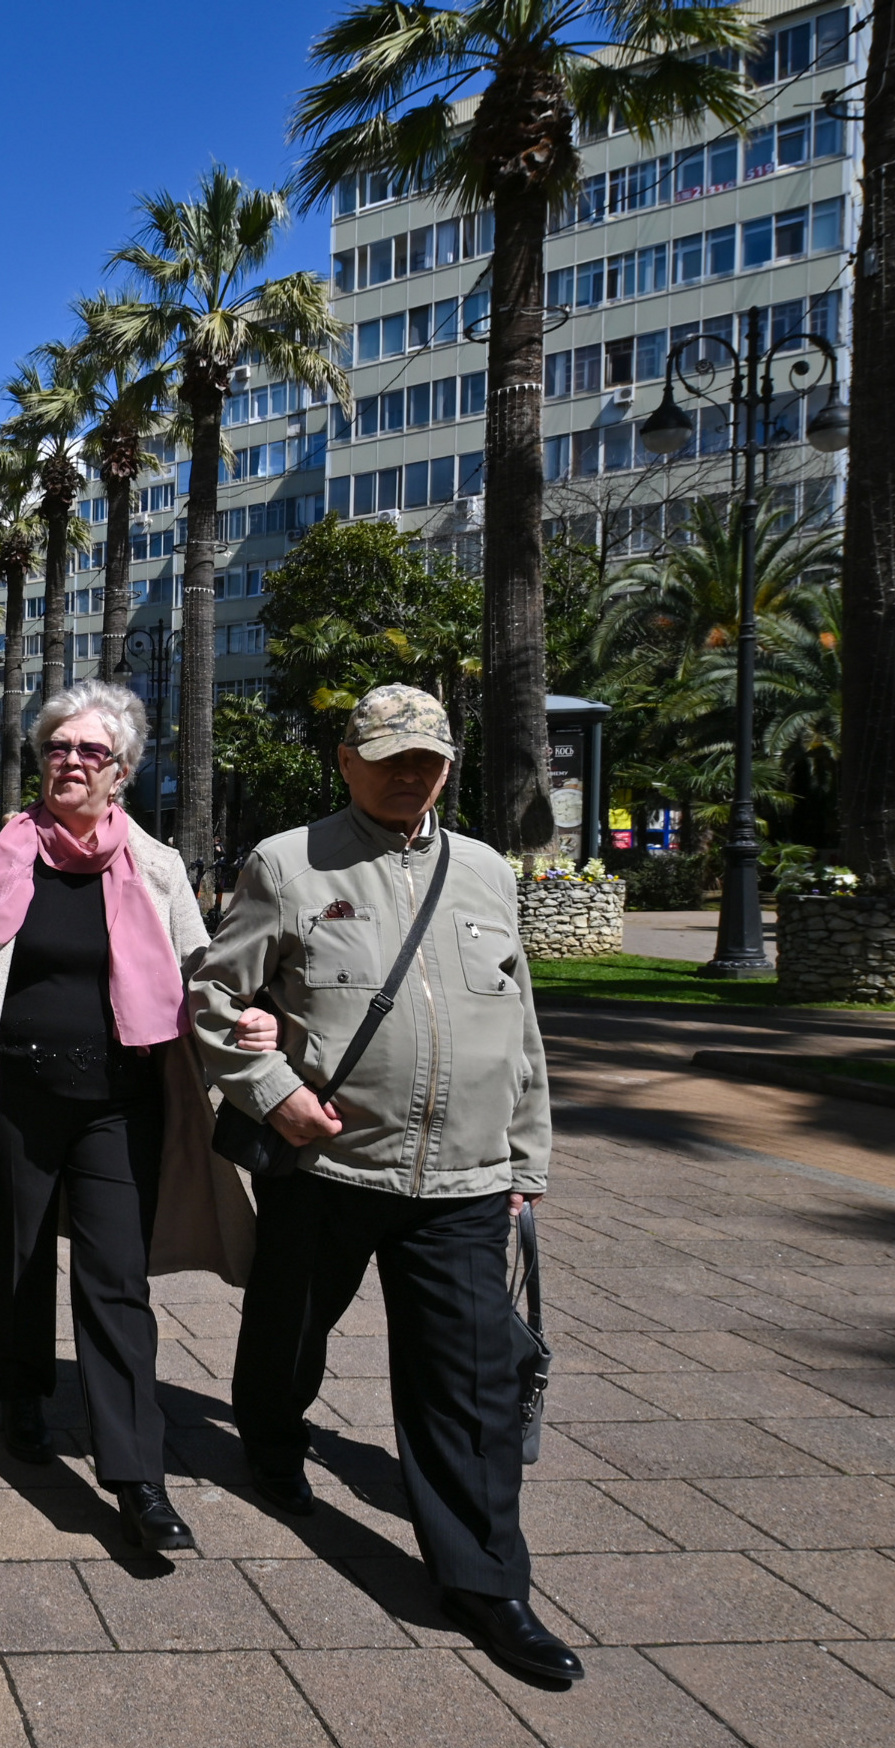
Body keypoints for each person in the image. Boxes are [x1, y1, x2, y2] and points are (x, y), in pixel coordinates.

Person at [188, 685, 573, 1686]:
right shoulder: (289, 862)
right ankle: (272, 1439)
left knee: (472, 1384)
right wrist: (275, 1094)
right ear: (347, 760)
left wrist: (523, 1163)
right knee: (291, 1326)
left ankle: (489, 1584)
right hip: (331, 1164)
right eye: (391, 755)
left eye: (430, 757)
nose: (413, 772)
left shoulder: (486, 870)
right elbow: (213, 994)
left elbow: (517, 1024)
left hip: (464, 1182)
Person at [0, 685, 263, 1555]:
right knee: (17, 1261)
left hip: (119, 1106)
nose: (72, 761)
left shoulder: (157, 867)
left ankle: (136, 1476)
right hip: (13, 1098)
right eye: (59, 746)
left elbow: (204, 975)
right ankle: (20, 1396)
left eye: (92, 752)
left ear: (120, 772)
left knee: (114, 1282)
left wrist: (248, 1019)